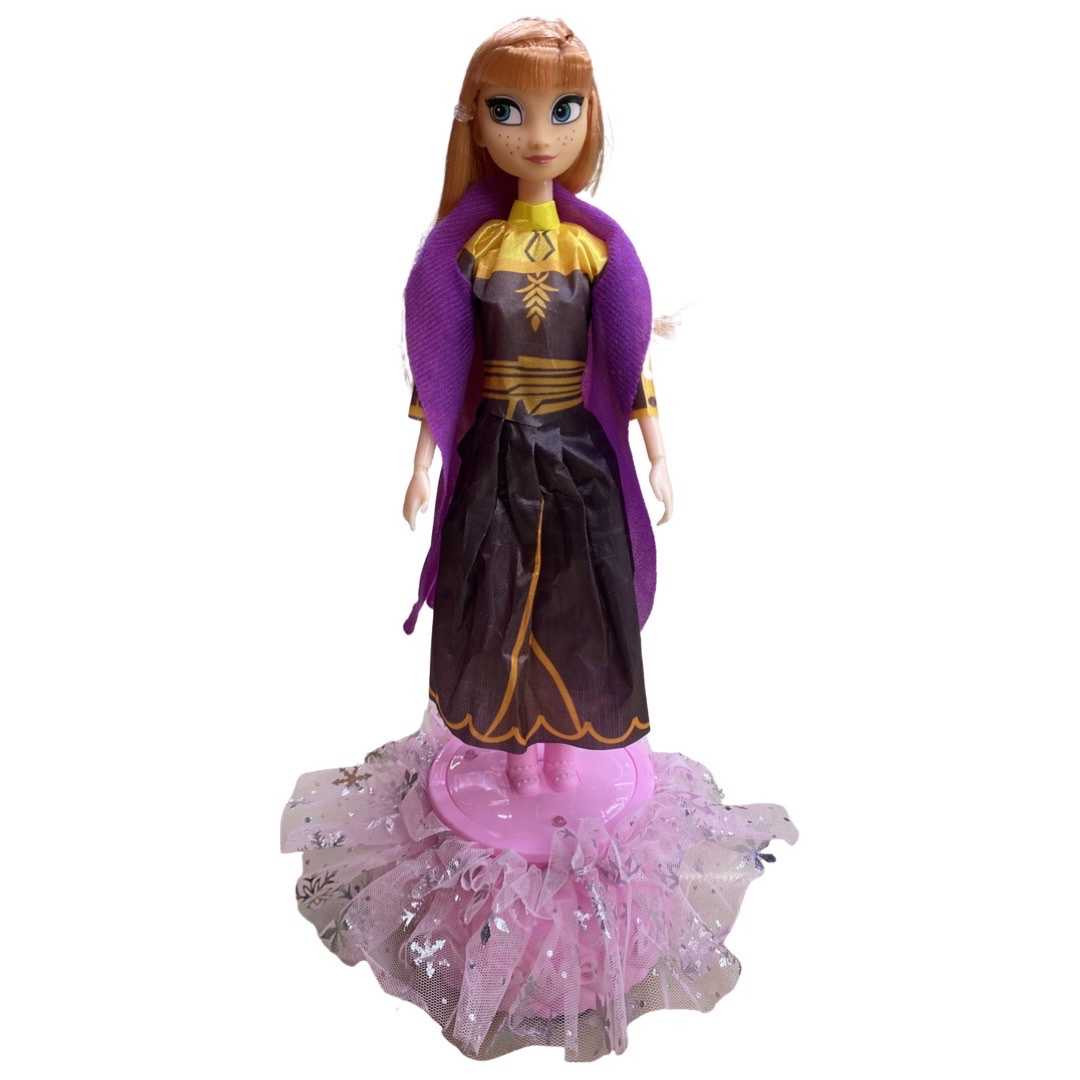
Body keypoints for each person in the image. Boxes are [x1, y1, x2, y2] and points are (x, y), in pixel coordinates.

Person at [401, 17, 673, 793]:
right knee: (497, 594)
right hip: (497, 452)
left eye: (563, 110)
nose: (540, 136)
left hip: (574, 455)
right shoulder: (475, 252)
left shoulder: (593, 253)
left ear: (589, 117)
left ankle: (563, 746)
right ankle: (515, 746)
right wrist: (422, 464)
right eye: (508, 112)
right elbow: (445, 363)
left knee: (574, 597)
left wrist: (656, 452)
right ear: (478, 123)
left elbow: (626, 358)